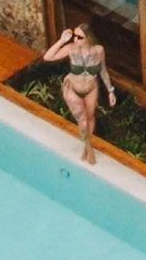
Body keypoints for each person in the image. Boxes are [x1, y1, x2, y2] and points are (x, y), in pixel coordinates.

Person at [44, 20, 117, 161]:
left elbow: (103, 71)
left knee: (90, 118)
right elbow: (48, 57)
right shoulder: (71, 49)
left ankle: (85, 147)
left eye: (79, 37)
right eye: (75, 36)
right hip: (73, 90)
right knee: (82, 121)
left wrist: (110, 90)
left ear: (89, 38)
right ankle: (89, 148)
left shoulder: (99, 51)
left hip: (91, 89)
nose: (76, 39)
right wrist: (61, 41)